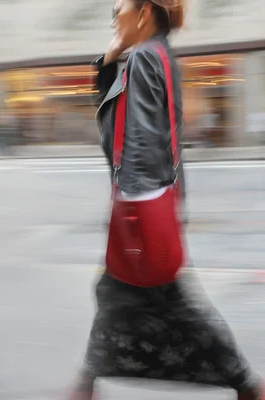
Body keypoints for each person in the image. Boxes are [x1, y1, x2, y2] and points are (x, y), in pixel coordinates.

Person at [67, 1, 263, 399]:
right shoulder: (157, 54)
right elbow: (142, 128)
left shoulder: (142, 58)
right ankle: (86, 384)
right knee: (117, 295)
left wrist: (131, 207)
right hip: (157, 198)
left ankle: (247, 384)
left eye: (119, 8)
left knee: (164, 303)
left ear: (142, 14)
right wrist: (107, 59)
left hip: (142, 205)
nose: (112, 17)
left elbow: (137, 136)